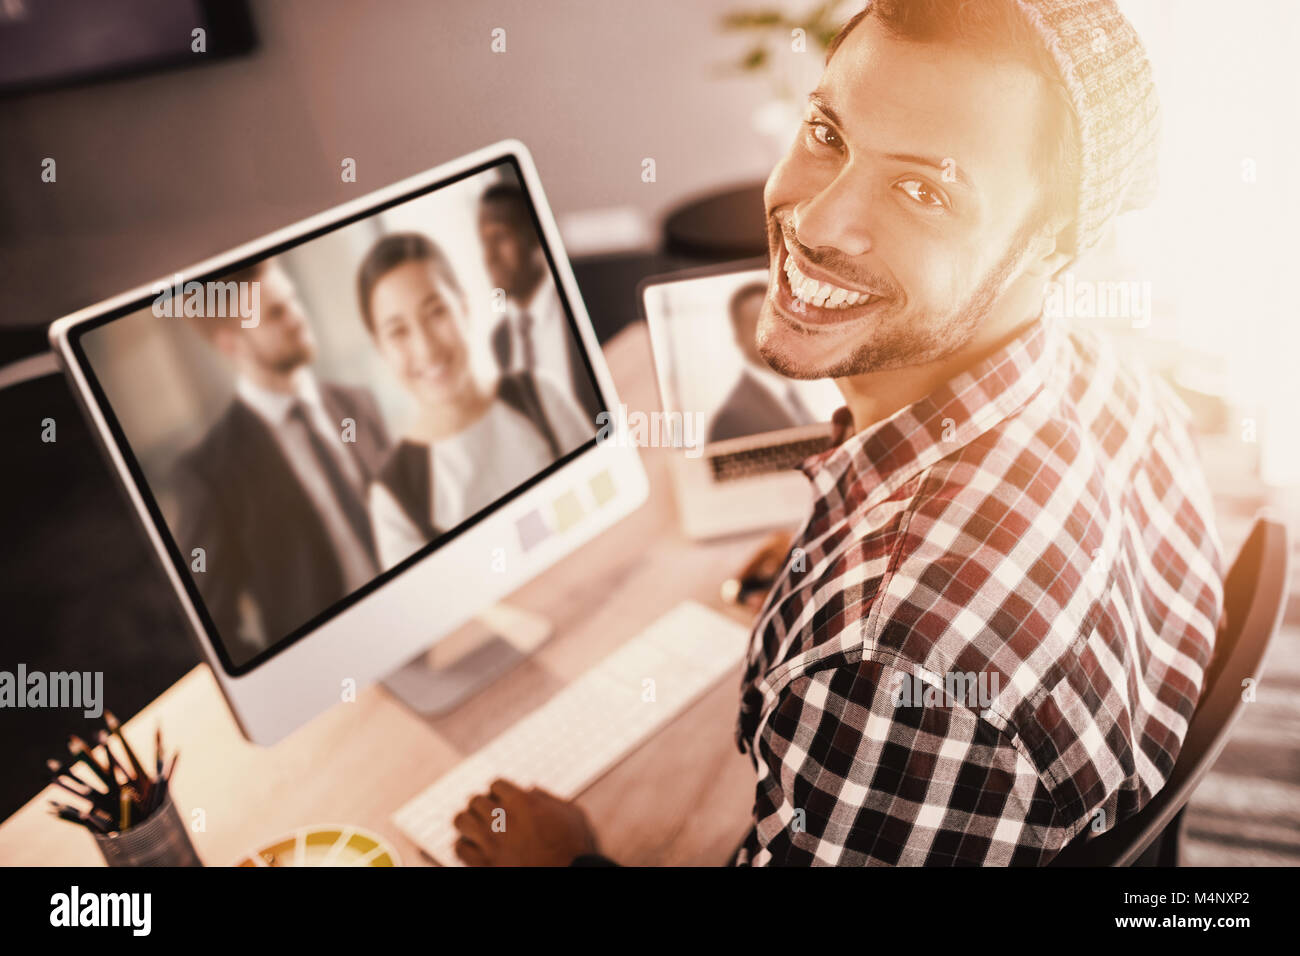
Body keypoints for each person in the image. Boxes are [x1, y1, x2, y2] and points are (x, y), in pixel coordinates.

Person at [451, 0, 1225, 866]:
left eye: (923, 189)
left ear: (1052, 246)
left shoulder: (899, 684)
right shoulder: (1108, 373)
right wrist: (836, 548)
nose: (813, 223)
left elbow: (923, 655)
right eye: (827, 133)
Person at [172, 258, 390, 665]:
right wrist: (290, 684)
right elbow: (213, 621)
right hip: (333, 673)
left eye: (292, 300)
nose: (297, 318)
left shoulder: (358, 404)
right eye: (275, 314)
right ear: (230, 343)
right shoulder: (209, 474)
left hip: (422, 624)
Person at [357, 232, 589, 570]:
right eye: (398, 332)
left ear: (464, 307)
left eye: (436, 312)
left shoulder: (540, 397)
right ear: (381, 350)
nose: (426, 348)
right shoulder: (394, 501)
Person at [479, 181, 602, 424]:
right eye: (485, 243)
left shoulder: (584, 301)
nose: (489, 257)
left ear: (535, 238)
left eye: (500, 237)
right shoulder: (500, 339)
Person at [708, 280, 819, 443]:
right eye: (757, 324)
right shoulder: (732, 418)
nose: (773, 333)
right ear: (739, 338)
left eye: (778, 319)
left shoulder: (792, 394)